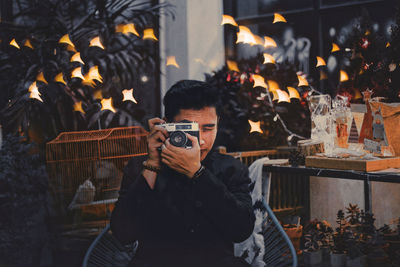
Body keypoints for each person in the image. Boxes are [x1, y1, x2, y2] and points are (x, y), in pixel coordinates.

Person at [111, 80, 255, 267]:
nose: (201, 141)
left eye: (208, 128)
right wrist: (153, 165)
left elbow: (241, 230)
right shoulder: (142, 166)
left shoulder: (230, 168)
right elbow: (123, 233)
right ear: (167, 125)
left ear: (218, 124)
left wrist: (198, 173)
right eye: (191, 129)